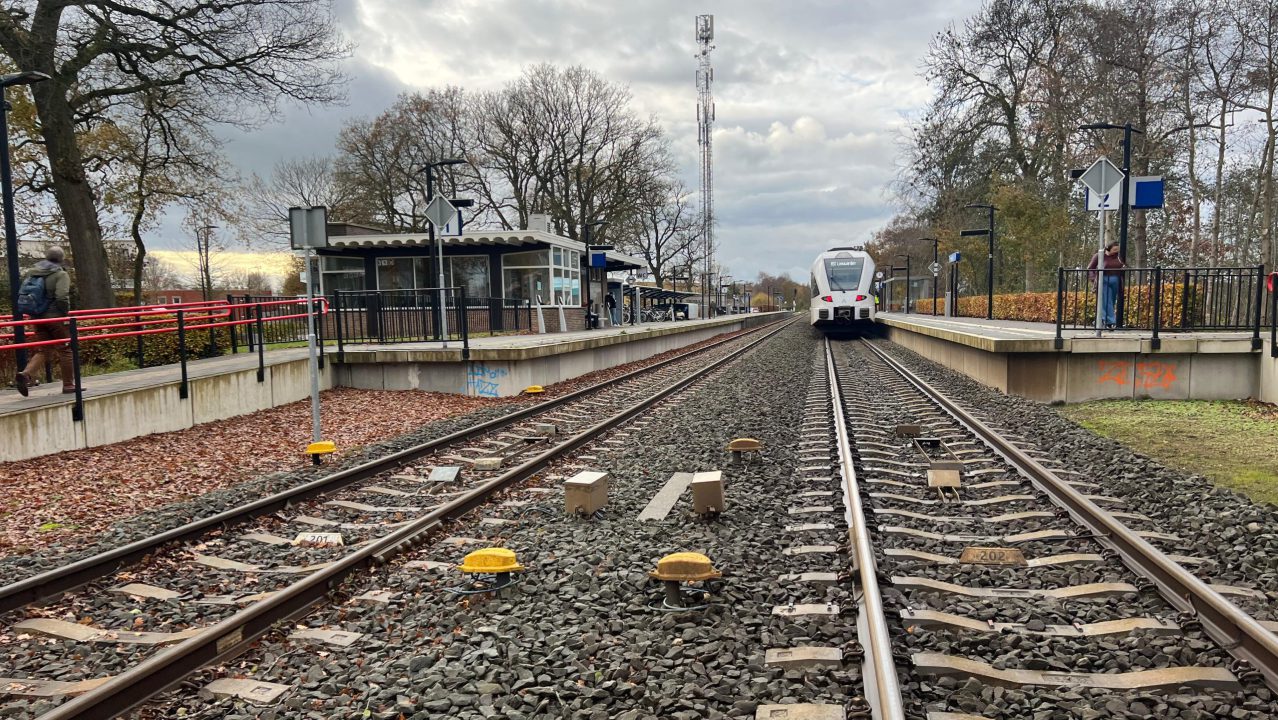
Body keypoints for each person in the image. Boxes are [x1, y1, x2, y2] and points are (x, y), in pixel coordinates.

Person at [14, 246, 75, 396]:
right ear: (61, 259)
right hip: (55, 318)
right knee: (65, 349)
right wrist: (64, 313)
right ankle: (68, 385)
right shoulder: (60, 274)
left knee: (44, 349)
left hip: (37, 317)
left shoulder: (33, 272)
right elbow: (62, 296)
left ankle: (26, 374)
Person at [1087, 240, 1125, 330]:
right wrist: (1093, 279)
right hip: (1103, 279)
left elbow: (1123, 265)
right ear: (1108, 248)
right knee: (1106, 299)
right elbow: (1090, 268)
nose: (1116, 251)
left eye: (1117, 250)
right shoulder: (1099, 256)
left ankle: (1101, 319)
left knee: (1111, 300)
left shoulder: (1118, 257)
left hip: (1116, 280)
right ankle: (1110, 321)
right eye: (1114, 249)